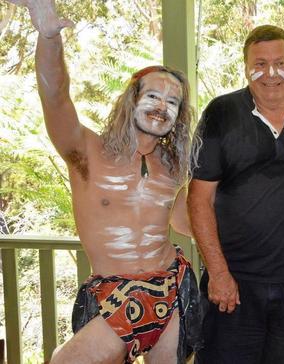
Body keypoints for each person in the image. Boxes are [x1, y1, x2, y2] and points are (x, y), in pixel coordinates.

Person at [8, 1, 202, 363]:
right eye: (154, 96)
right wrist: (49, 38)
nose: (162, 106)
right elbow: (55, 97)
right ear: (132, 100)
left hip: (172, 289)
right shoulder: (86, 151)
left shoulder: (174, 169)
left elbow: (181, 221)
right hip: (114, 293)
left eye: (173, 102)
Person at [188, 25, 284, 364]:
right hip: (233, 285)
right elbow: (198, 199)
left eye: (281, 62)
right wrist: (217, 274)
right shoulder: (221, 113)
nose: (271, 73)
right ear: (245, 67)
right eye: (259, 63)